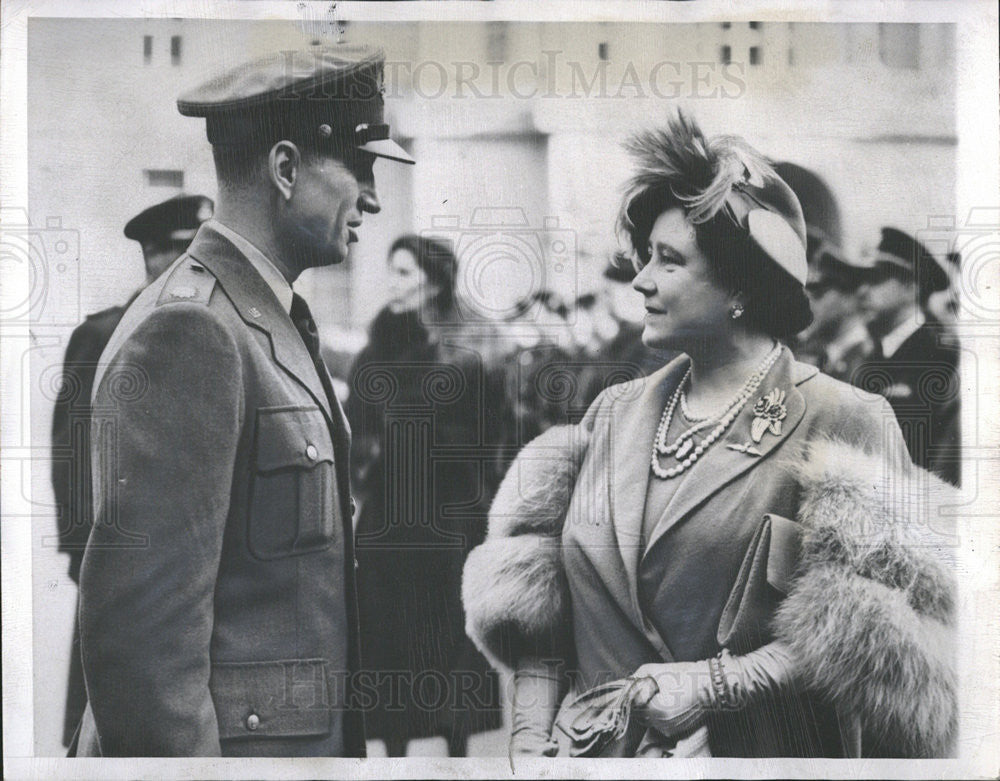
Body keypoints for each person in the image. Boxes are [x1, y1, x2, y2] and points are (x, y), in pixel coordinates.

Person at [463, 113, 957, 759]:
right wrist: (528, 742)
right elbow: (537, 612)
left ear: (740, 286)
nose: (641, 279)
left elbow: (885, 638)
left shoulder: (844, 417)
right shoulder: (613, 412)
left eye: (668, 261)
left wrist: (719, 685)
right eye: (645, 257)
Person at [73, 45, 414, 757]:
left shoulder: (260, 313)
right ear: (286, 169)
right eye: (361, 166)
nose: (375, 197)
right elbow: (146, 663)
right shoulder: (191, 329)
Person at [51, 193, 212, 748]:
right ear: (149, 258)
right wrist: (80, 550)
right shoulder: (102, 336)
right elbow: (71, 452)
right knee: (102, 709)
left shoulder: (210, 332)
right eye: (176, 253)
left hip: (187, 555)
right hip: (117, 551)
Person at [346, 235, 503, 757]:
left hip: (447, 514)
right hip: (389, 517)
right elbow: (357, 426)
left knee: (446, 639)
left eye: (406, 273)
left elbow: (491, 434)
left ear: (434, 282)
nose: (393, 283)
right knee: (386, 635)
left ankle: (456, 751)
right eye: (391, 271)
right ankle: (391, 752)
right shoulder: (376, 345)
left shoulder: (468, 347)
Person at [855, 227, 961, 486]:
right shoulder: (871, 357)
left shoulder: (942, 357)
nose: (862, 291)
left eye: (877, 279)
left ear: (911, 286)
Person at [796, 251, 874, 382]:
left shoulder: (864, 359)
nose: (810, 302)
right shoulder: (814, 344)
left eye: (819, 294)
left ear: (849, 299)